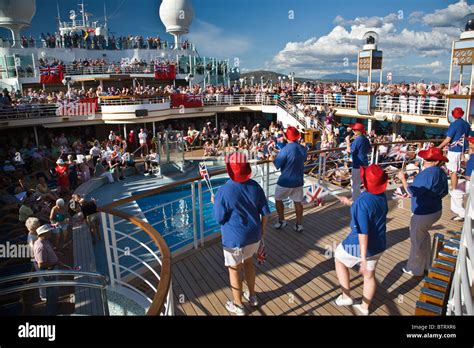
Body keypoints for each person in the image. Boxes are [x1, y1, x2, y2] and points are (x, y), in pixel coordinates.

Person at [212, 152, 270, 316]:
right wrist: (262, 232)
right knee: (249, 263)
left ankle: (238, 305)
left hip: (234, 240)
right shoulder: (255, 186)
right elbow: (266, 214)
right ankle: (252, 297)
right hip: (254, 236)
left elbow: (219, 218)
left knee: (234, 269)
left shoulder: (223, 191)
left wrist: (215, 202)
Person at [334, 164, 389, 316]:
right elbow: (368, 210)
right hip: (379, 244)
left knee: (338, 258)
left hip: (360, 246)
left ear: (365, 181)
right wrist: (350, 203)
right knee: (369, 276)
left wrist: (363, 259)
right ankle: (364, 308)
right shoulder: (381, 196)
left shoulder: (362, 202)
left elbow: (362, 232)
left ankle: (346, 297)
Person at [397, 147, 449, 277]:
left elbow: (411, 192)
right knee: (423, 237)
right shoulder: (441, 172)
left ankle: (414, 269)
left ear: (436, 161)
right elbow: (445, 192)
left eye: (428, 158)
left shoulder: (428, 173)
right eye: (425, 157)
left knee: (416, 241)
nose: (425, 160)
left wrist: (403, 179)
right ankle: (426, 264)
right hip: (435, 210)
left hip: (423, 213)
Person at [272, 126, 307, 232]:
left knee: (278, 199)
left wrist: (272, 157)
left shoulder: (285, 149)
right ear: (297, 137)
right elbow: (304, 158)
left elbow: (277, 164)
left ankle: (282, 221)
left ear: (286, 137)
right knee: (298, 202)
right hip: (298, 181)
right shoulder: (302, 148)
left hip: (285, 181)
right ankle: (299, 225)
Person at [438, 107, 470, 191]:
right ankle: (459, 188)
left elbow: (448, 139)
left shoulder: (454, 124)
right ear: (462, 114)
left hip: (454, 150)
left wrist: (439, 147)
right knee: (460, 170)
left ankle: (454, 190)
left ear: (453, 115)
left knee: (453, 172)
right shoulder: (467, 124)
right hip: (462, 150)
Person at [33, 225, 59, 315]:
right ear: (43, 234)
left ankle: (54, 306)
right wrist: (54, 263)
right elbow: (41, 264)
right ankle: (50, 312)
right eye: (48, 231)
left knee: (54, 290)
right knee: (51, 291)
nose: (50, 232)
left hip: (52, 269)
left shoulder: (45, 240)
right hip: (49, 271)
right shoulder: (40, 247)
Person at [450, 137, 474, 221]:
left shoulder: (472, 159)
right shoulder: (472, 156)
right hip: (470, 181)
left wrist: (458, 174)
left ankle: (462, 214)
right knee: (456, 189)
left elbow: (469, 177)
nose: (469, 143)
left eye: (471, 142)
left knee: (455, 192)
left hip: (471, 183)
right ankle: (461, 213)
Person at [346, 123, 371, 200]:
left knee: (355, 184)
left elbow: (350, 150)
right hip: (365, 163)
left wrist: (347, 141)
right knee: (365, 182)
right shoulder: (365, 139)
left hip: (357, 164)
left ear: (358, 131)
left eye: (354, 130)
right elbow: (370, 149)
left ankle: (355, 200)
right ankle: (366, 197)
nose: (353, 131)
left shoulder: (357, 140)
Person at [25, 217, 47, 301]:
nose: (39, 226)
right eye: (38, 226)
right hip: (38, 260)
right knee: (42, 277)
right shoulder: (32, 239)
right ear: (34, 228)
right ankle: (43, 296)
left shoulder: (33, 233)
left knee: (43, 277)